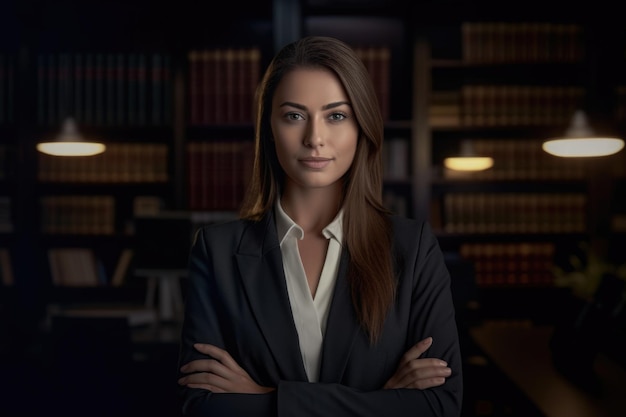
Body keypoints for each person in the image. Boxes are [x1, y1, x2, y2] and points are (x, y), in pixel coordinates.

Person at [177, 35, 463, 416]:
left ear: (361, 126)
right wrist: (382, 399)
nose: (314, 138)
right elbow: (203, 407)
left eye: (336, 116)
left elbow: (438, 406)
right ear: (269, 129)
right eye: (294, 116)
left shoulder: (412, 249)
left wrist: (265, 398)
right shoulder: (217, 252)